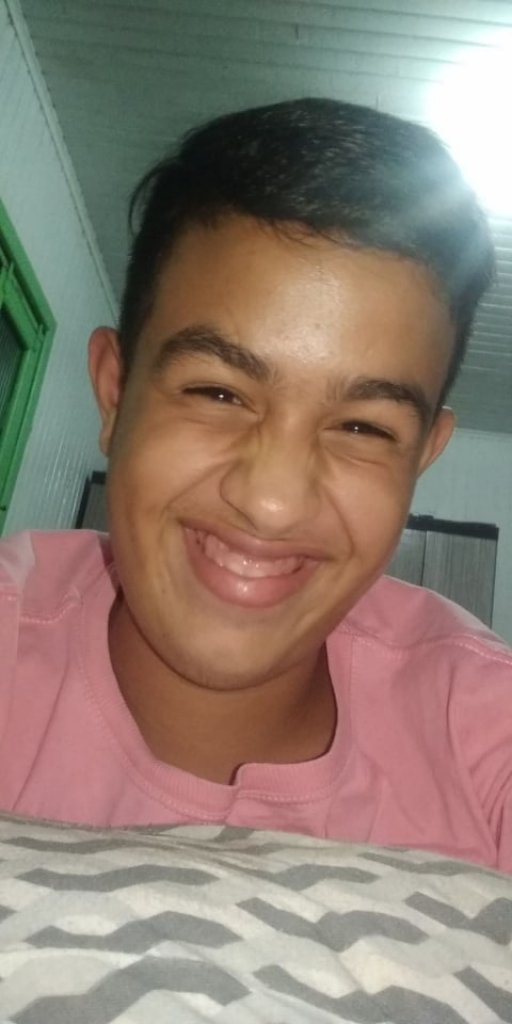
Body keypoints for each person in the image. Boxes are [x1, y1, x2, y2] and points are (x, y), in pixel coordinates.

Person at [1, 97, 511, 870]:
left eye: (363, 428)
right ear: (114, 393)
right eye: (218, 392)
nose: (272, 502)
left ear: (421, 457)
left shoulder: (482, 731)